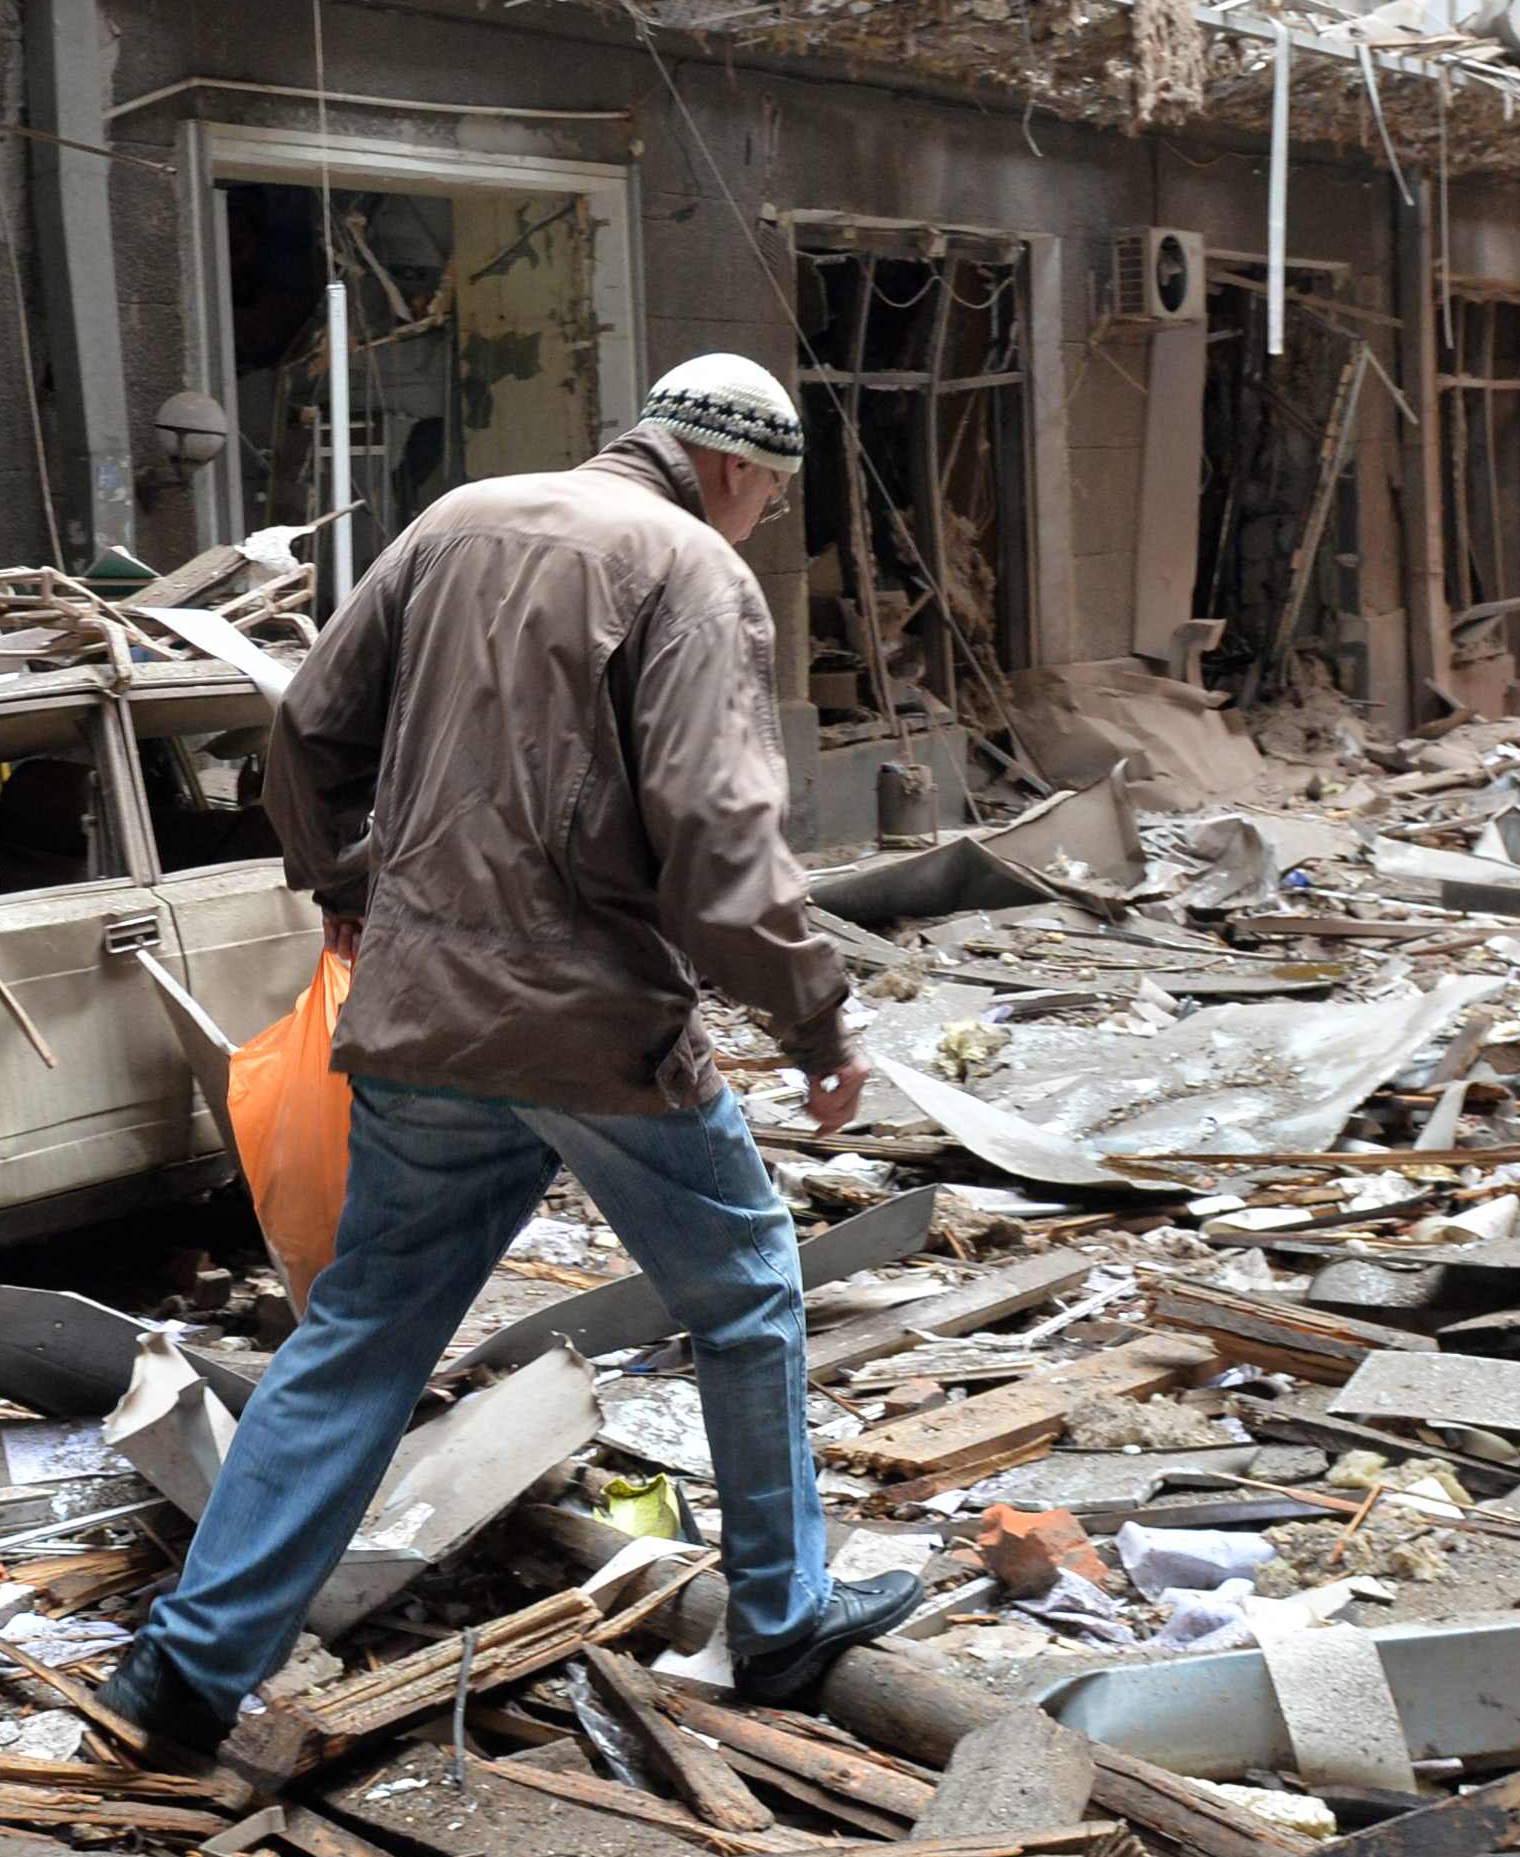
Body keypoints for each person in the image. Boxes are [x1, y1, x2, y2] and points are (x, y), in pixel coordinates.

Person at [101, 354, 924, 1762]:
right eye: (773, 500)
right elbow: (718, 829)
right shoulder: (690, 567)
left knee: (360, 1338)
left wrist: (345, 883)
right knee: (748, 1292)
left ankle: (179, 1677)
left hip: (424, 1012)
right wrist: (817, 1019)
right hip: (591, 1023)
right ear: (734, 468)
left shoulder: (454, 520)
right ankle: (783, 1618)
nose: (762, 524)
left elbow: (306, 727)